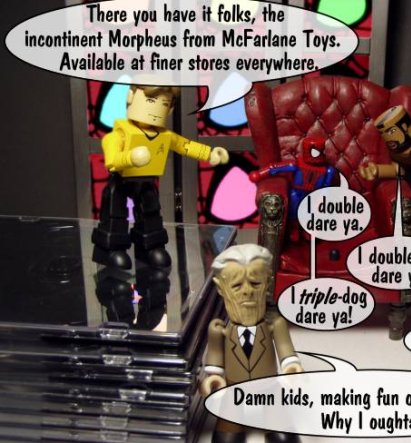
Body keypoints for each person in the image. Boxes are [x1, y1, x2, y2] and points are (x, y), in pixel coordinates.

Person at [92, 83, 229, 269]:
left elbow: (185, 145)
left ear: (170, 109)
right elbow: (112, 160)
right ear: (131, 97)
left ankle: (151, 247)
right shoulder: (118, 134)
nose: (156, 109)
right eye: (150, 100)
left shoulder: (164, 135)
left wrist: (210, 154)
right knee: (114, 214)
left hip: (146, 181)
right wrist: (130, 157)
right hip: (121, 181)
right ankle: (110, 249)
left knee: (151, 213)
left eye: (164, 104)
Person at [201, 244, 302, 443]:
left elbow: (285, 349)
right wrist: (213, 376)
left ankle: (275, 424)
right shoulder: (219, 330)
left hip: (269, 384)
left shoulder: (276, 325)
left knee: (277, 417)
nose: (247, 291)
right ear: (221, 287)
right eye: (237, 286)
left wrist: (291, 365)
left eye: (255, 283)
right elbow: (215, 356)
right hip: (233, 386)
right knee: (228, 427)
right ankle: (232, 426)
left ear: (267, 282)